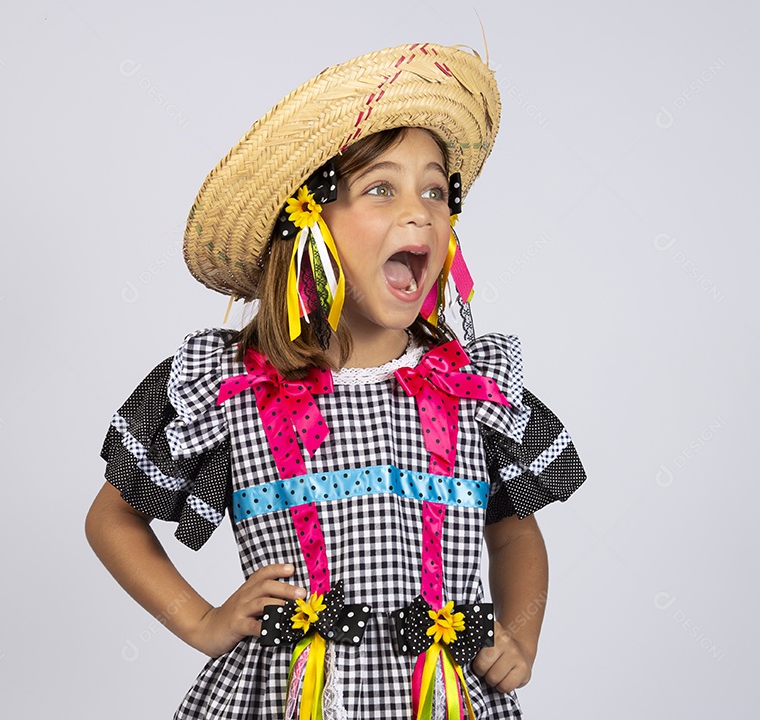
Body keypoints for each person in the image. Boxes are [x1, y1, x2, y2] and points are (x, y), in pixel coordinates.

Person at [86, 43, 586, 720]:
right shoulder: (232, 387)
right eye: (382, 188)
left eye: (435, 189)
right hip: (288, 697)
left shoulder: (472, 391)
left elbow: (513, 530)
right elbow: (113, 518)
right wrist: (203, 622)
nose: (420, 213)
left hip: (440, 699)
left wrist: (520, 637)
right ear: (309, 224)